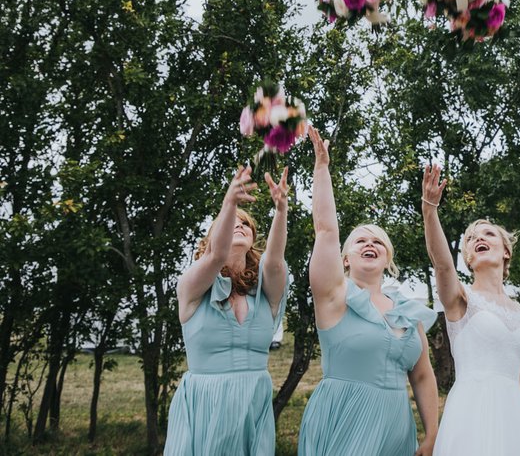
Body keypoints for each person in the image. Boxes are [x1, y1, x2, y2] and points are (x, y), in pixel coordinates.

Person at [298, 127, 438, 456]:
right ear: (344, 259)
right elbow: (326, 230)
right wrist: (321, 169)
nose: (370, 243)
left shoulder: (408, 311)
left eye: (378, 241)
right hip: (342, 420)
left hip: (395, 428)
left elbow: (422, 376)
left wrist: (432, 433)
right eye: (361, 240)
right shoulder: (334, 297)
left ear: (387, 258)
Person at [421, 165, 520, 456]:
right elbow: (442, 264)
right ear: (468, 257)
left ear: (506, 251)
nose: (478, 238)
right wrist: (430, 211)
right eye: (471, 239)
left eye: (488, 234)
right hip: (471, 417)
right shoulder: (461, 298)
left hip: (515, 421)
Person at [165, 164, 290, 455]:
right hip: (205, 405)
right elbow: (216, 255)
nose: (240, 225)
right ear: (212, 237)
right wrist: (229, 202)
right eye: (232, 221)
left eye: (246, 224)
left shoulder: (265, 294)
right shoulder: (193, 289)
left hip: (252, 403)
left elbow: (274, 261)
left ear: (252, 240)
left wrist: (281, 211)